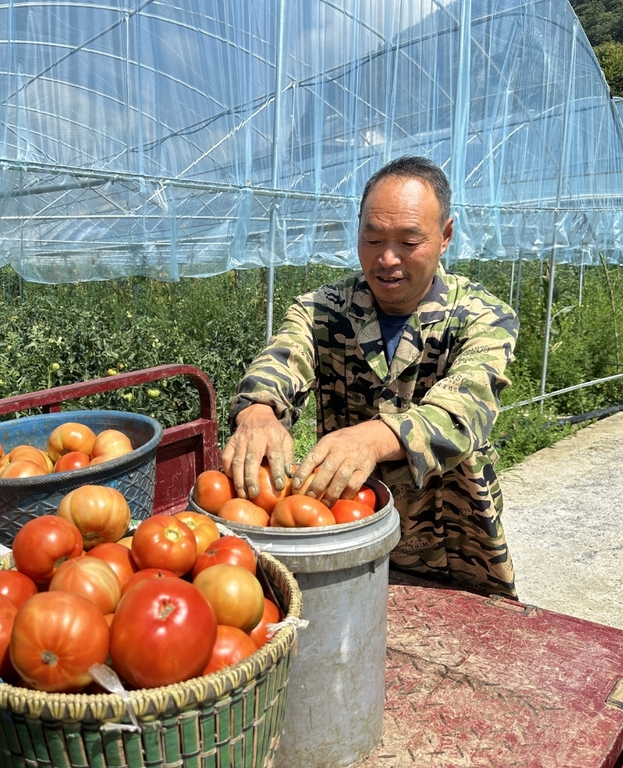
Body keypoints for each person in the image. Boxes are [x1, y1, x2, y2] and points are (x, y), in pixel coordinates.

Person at [222, 155, 520, 598]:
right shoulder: (323, 310)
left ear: (445, 236)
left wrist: (371, 439)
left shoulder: (482, 317)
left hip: (454, 538)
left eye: (409, 241)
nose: (386, 258)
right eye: (373, 237)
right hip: (346, 527)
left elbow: (463, 412)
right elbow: (282, 357)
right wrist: (259, 410)